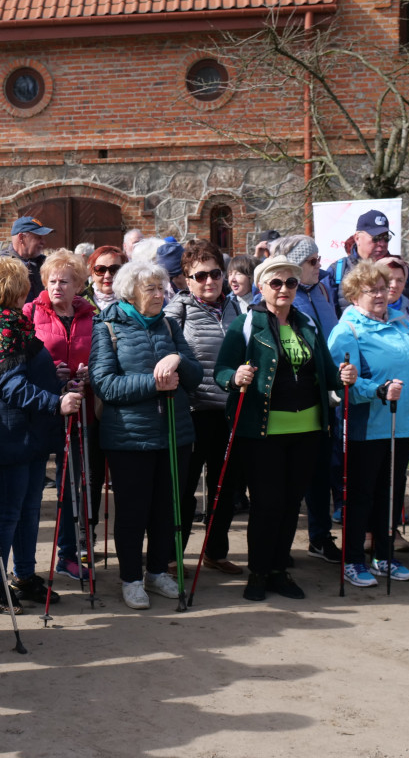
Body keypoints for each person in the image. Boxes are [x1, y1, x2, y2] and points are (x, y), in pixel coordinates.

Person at [215, 256, 357, 602]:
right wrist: (235, 378)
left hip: (307, 429)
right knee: (267, 504)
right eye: (275, 283)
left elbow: (325, 368)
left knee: (292, 503)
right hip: (262, 431)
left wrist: (343, 377)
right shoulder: (247, 324)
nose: (283, 289)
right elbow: (221, 370)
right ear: (261, 286)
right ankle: (258, 573)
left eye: (290, 283)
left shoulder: (307, 323)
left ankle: (280, 570)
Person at [0, 257, 83, 612]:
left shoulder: (12, 323)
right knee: (7, 513)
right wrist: (56, 401)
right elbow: (10, 386)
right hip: (9, 434)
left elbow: (25, 373)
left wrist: (57, 378)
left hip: (30, 433)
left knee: (30, 509)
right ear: (12, 289)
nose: (29, 289)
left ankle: (24, 575)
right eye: (24, 284)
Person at [90, 259, 203, 609]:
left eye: (162, 288)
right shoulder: (107, 326)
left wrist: (178, 362)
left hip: (174, 432)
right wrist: (154, 383)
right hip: (130, 437)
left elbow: (196, 376)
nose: (159, 294)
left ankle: (157, 572)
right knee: (132, 511)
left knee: (166, 509)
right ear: (130, 293)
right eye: (151, 288)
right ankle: (131, 578)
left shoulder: (168, 326)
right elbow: (105, 385)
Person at [327, 260, 409, 588]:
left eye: (382, 288)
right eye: (370, 290)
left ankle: (383, 556)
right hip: (368, 426)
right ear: (354, 295)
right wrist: (376, 390)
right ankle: (353, 560)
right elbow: (342, 381)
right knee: (361, 495)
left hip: (402, 424)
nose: (379, 294)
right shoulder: (348, 329)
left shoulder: (403, 323)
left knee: (392, 492)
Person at [164, 239, 243, 576]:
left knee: (225, 486)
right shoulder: (177, 312)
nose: (209, 281)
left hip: (230, 409)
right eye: (200, 276)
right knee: (184, 487)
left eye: (215, 274)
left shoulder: (237, 309)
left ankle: (215, 550)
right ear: (186, 279)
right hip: (193, 411)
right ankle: (170, 555)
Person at [267, 235, 342, 563]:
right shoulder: (286, 300)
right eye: (312, 261)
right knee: (289, 477)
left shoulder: (323, 291)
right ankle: (276, 547)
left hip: (329, 396)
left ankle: (320, 536)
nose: (319, 265)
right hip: (294, 401)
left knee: (322, 471)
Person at [23, 249, 96, 582]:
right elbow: (20, 360)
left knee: (73, 486)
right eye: (52, 280)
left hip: (79, 410)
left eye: (64, 281)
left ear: (78, 285)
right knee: (34, 488)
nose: (57, 287)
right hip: (41, 409)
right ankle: (24, 567)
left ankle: (68, 555)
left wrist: (89, 373)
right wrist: (49, 370)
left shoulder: (91, 316)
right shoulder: (29, 313)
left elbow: (102, 356)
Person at [7, 216, 53, 303]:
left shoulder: (45, 263)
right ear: (21, 238)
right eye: (38, 237)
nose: (43, 242)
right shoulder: (3, 268)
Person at [82, 245, 127, 313]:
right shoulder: (80, 304)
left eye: (114, 269)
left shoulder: (135, 303)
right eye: (101, 270)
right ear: (92, 274)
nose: (107, 276)